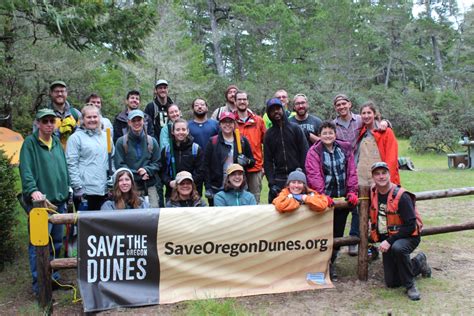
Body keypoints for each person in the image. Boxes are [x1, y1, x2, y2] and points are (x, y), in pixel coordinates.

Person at [19, 108, 70, 296]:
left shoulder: (56, 142)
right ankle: (39, 283)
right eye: (45, 121)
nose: (49, 124)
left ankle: (53, 277)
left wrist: (68, 187)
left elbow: (63, 168)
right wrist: (33, 191)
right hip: (41, 205)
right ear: (38, 123)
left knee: (57, 242)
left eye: (51, 121)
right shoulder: (29, 144)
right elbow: (26, 171)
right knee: (38, 244)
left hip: (59, 201)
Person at [332, 94, 390, 255]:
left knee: (375, 206)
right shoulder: (333, 124)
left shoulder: (359, 120)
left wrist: (385, 122)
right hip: (345, 168)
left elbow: (378, 123)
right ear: (335, 107)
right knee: (353, 204)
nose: (342, 107)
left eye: (344, 103)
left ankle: (371, 242)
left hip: (365, 165)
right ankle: (352, 239)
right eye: (338, 105)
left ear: (349, 104)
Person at [370, 162, 431, 301]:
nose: (381, 177)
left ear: (389, 174)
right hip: (389, 239)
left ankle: (410, 286)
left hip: (409, 236)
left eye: (384, 173)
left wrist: (389, 241)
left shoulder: (402, 196)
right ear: (373, 177)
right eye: (377, 174)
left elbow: (410, 225)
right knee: (392, 282)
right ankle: (418, 263)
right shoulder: (373, 193)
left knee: (398, 248)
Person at [305, 121, 358, 280]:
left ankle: (331, 263)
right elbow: (313, 175)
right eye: (324, 133)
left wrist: (352, 191)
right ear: (319, 136)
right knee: (323, 234)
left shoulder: (345, 148)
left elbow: (351, 171)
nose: (328, 135)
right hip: (324, 201)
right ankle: (320, 265)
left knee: (338, 234)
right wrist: (321, 195)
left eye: (330, 133)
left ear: (335, 134)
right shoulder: (314, 152)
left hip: (341, 199)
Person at [203, 112, 255, 205]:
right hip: (217, 186)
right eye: (224, 122)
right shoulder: (213, 142)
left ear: (234, 124)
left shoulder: (242, 141)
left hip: (238, 185)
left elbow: (252, 162)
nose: (227, 124)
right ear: (220, 124)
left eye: (230, 122)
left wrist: (246, 161)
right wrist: (208, 187)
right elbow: (205, 166)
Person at [264, 98, 308, 203]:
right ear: (269, 113)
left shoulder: (295, 128)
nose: (276, 111)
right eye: (272, 110)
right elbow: (268, 160)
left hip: (297, 176)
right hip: (279, 178)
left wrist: (303, 173)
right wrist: (271, 183)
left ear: (283, 110)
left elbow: (305, 153)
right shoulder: (268, 135)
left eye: (278, 108)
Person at [66, 105, 110, 211]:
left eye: (95, 117)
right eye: (89, 117)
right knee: (85, 226)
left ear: (99, 118)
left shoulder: (106, 137)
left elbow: (111, 159)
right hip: (85, 193)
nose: (92, 120)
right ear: (82, 120)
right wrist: (77, 187)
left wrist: (112, 180)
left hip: (104, 190)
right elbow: (71, 163)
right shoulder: (75, 138)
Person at [114, 110, 161, 208]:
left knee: (152, 213)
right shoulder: (121, 142)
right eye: (133, 120)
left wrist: (147, 170)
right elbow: (119, 165)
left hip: (149, 185)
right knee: (132, 216)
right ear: (129, 122)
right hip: (129, 187)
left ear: (143, 121)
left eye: (139, 120)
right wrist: (138, 174)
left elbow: (158, 162)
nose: (136, 123)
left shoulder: (152, 141)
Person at [356, 101, 400, 186]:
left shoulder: (387, 132)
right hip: (362, 180)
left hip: (381, 178)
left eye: (369, 113)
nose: (366, 116)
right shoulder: (361, 132)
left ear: (374, 114)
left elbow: (392, 159)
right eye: (363, 113)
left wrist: (388, 182)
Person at [234, 90, 266, 204]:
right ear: (235, 102)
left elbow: (266, 145)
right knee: (236, 199)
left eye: (244, 99)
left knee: (254, 199)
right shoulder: (231, 121)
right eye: (239, 99)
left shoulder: (258, 121)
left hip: (255, 168)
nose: (242, 102)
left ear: (248, 102)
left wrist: (264, 166)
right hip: (236, 169)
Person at [160, 118, 204, 200]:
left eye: (183, 129)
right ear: (173, 132)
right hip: (172, 193)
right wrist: (169, 182)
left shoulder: (196, 149)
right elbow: (162, 172)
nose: (181, 132)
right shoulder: (167, 151)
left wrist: (187, 183)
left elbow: (200, 171)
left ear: (187, 131)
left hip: (193, 193)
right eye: (177, 130)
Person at [43, 80, 81, 148]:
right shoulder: (43, 116)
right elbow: (38, 140)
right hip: (52, 156)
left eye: (62, 91)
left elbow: (84, 137)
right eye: (56, 91)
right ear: (51, 93)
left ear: (66, 93)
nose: (60, 94)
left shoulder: (75, 114)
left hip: (72, 156)